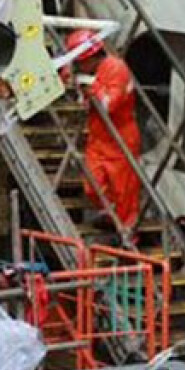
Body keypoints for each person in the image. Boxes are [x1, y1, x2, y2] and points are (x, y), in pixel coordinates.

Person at [65, 29, 142, 236]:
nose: (78, 67)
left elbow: (109, 104)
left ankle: (128, 237)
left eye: (79, 62)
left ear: (89, 58)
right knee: (92, 185)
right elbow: (86, 103)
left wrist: (91, 87)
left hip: (120, 138)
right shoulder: (93, 73)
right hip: (99, 137)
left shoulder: (116, 69)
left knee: (123, 191)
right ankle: (110, 215)